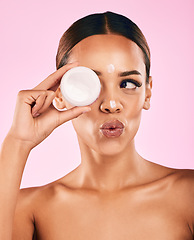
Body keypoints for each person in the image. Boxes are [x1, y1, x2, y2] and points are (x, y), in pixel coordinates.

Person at [0, 11, 193, 239]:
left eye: (128, 83)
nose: (111, 104)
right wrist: (17, 143)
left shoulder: (189, 195)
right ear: (60, 94)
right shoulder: (28, 209)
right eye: (89, 83)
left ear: (148, 92)